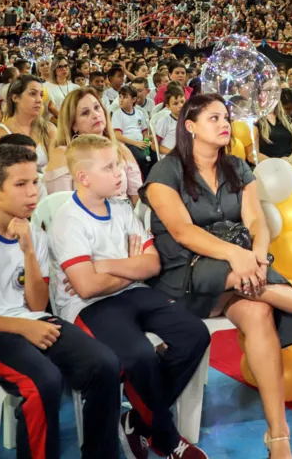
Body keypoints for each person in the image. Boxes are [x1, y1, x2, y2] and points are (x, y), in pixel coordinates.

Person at [142, 93, 292, 459]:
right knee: (243, 280)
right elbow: (183, 232)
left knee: (259, 313)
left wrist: (256, 255)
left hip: (240, 269)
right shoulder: (165, 171)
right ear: (189, 126)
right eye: (214, 118)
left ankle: (278, 435)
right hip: (186, 270)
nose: (224, 124)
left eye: (226, 117)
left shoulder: (237, 166)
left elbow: (256, 221)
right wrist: (238, 255)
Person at [0, 144, 122, 459]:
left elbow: (37, 305)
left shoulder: (35, 237)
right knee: (44, 382)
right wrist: (22, 327)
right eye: (21, 184)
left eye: (35, 182)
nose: (33, 193)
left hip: (29, 321)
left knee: (105, 364)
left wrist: (27, 250)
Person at [49, 135, 211, 459]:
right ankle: (166, 440)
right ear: (84, 178)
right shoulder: (68, 221)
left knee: (194, 334)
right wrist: (129, 266)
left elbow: (152, 265)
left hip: (133, 293)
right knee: (139, 356)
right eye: (109, 167)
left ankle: (138, 420)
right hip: (88, 307)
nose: (120, 172)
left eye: (118, 164)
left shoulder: (121, 208)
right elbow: (86, 288)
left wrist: (105, 265)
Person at [44, 88, 141, 206]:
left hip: (125, 217)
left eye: (97, 108)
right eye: (85, 113)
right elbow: (59, 206)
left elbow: (138, 200)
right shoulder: (64, 154)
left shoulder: (121, 149)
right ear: (73, 124)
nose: (95, 115)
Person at [0, 75, 54, 170]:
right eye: (32, 94)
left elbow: (55, 168)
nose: (39, 100)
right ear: (15, 98)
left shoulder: (49, 129)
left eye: (41, 95)